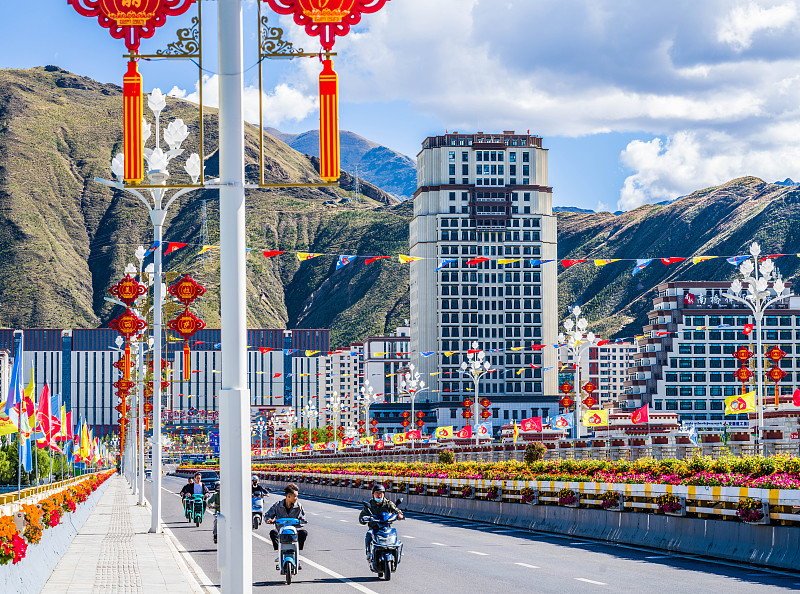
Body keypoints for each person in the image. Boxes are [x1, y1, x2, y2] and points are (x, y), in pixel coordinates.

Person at [359, 484, 403, 559]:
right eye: (377, 493)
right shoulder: (369, 505)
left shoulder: (388, 504)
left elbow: (397, 511)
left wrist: (399, 515)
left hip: (387, 528)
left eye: (381, 493)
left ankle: (397, 552)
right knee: (369, 533)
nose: (379, 495)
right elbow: (361, 518)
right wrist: (364, 518)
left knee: (394, 533)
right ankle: (368, 552)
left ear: (384, 494)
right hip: (375, 529)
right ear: (373, 494)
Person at [265, 483, 307, 555]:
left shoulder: (299, 506)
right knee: (273, 532)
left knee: (304, 533)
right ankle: (279, 551)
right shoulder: (278, 505)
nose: (296, 498)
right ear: (288, 496)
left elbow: (303, 519)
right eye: (295, 496)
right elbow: (267, 515)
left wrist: (300, 522)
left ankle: (297, 553)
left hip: (294, 533)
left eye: (297, 496)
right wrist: (269, 520)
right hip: (281, 532)